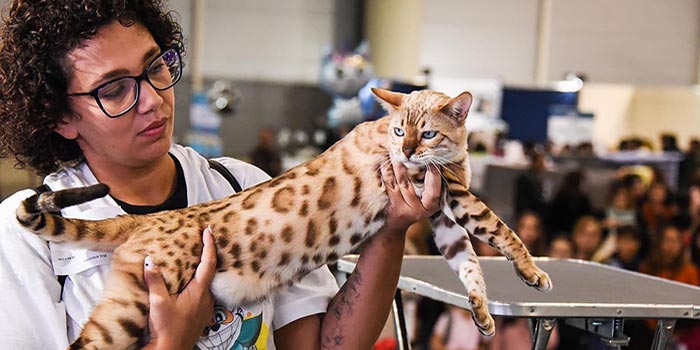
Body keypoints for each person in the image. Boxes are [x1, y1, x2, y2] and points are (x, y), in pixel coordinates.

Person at [0, 1, 442, 349]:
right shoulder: (26, 239)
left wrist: (389, 232)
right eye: (115, 89)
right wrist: (172, 342)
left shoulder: (243, 187)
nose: (153, 99)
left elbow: (326, 346)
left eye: (155, 67)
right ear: (59, 117)